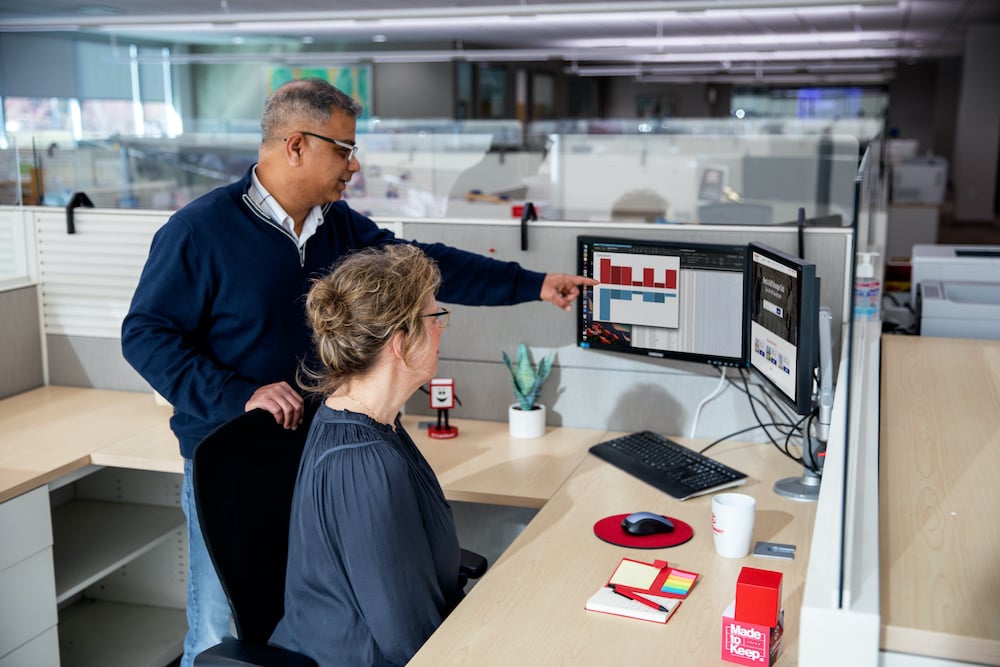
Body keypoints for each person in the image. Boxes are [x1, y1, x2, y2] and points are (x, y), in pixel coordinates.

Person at [121, 77, 595, 667]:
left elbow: (423, 266)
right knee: (223, 633)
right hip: (232, 459)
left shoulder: (337, 227)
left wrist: (532, 284)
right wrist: (238, 395)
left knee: (309, 609)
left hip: (319, 447)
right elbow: (143, 335)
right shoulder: (199, 232)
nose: (354, 163)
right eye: (343, 148)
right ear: (296, 144)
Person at [269, 244, 461, 665]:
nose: (443, 328)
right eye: (435, 316)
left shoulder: (371, 418)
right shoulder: (366, 461)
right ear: (400, 342)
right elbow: (405, 641)